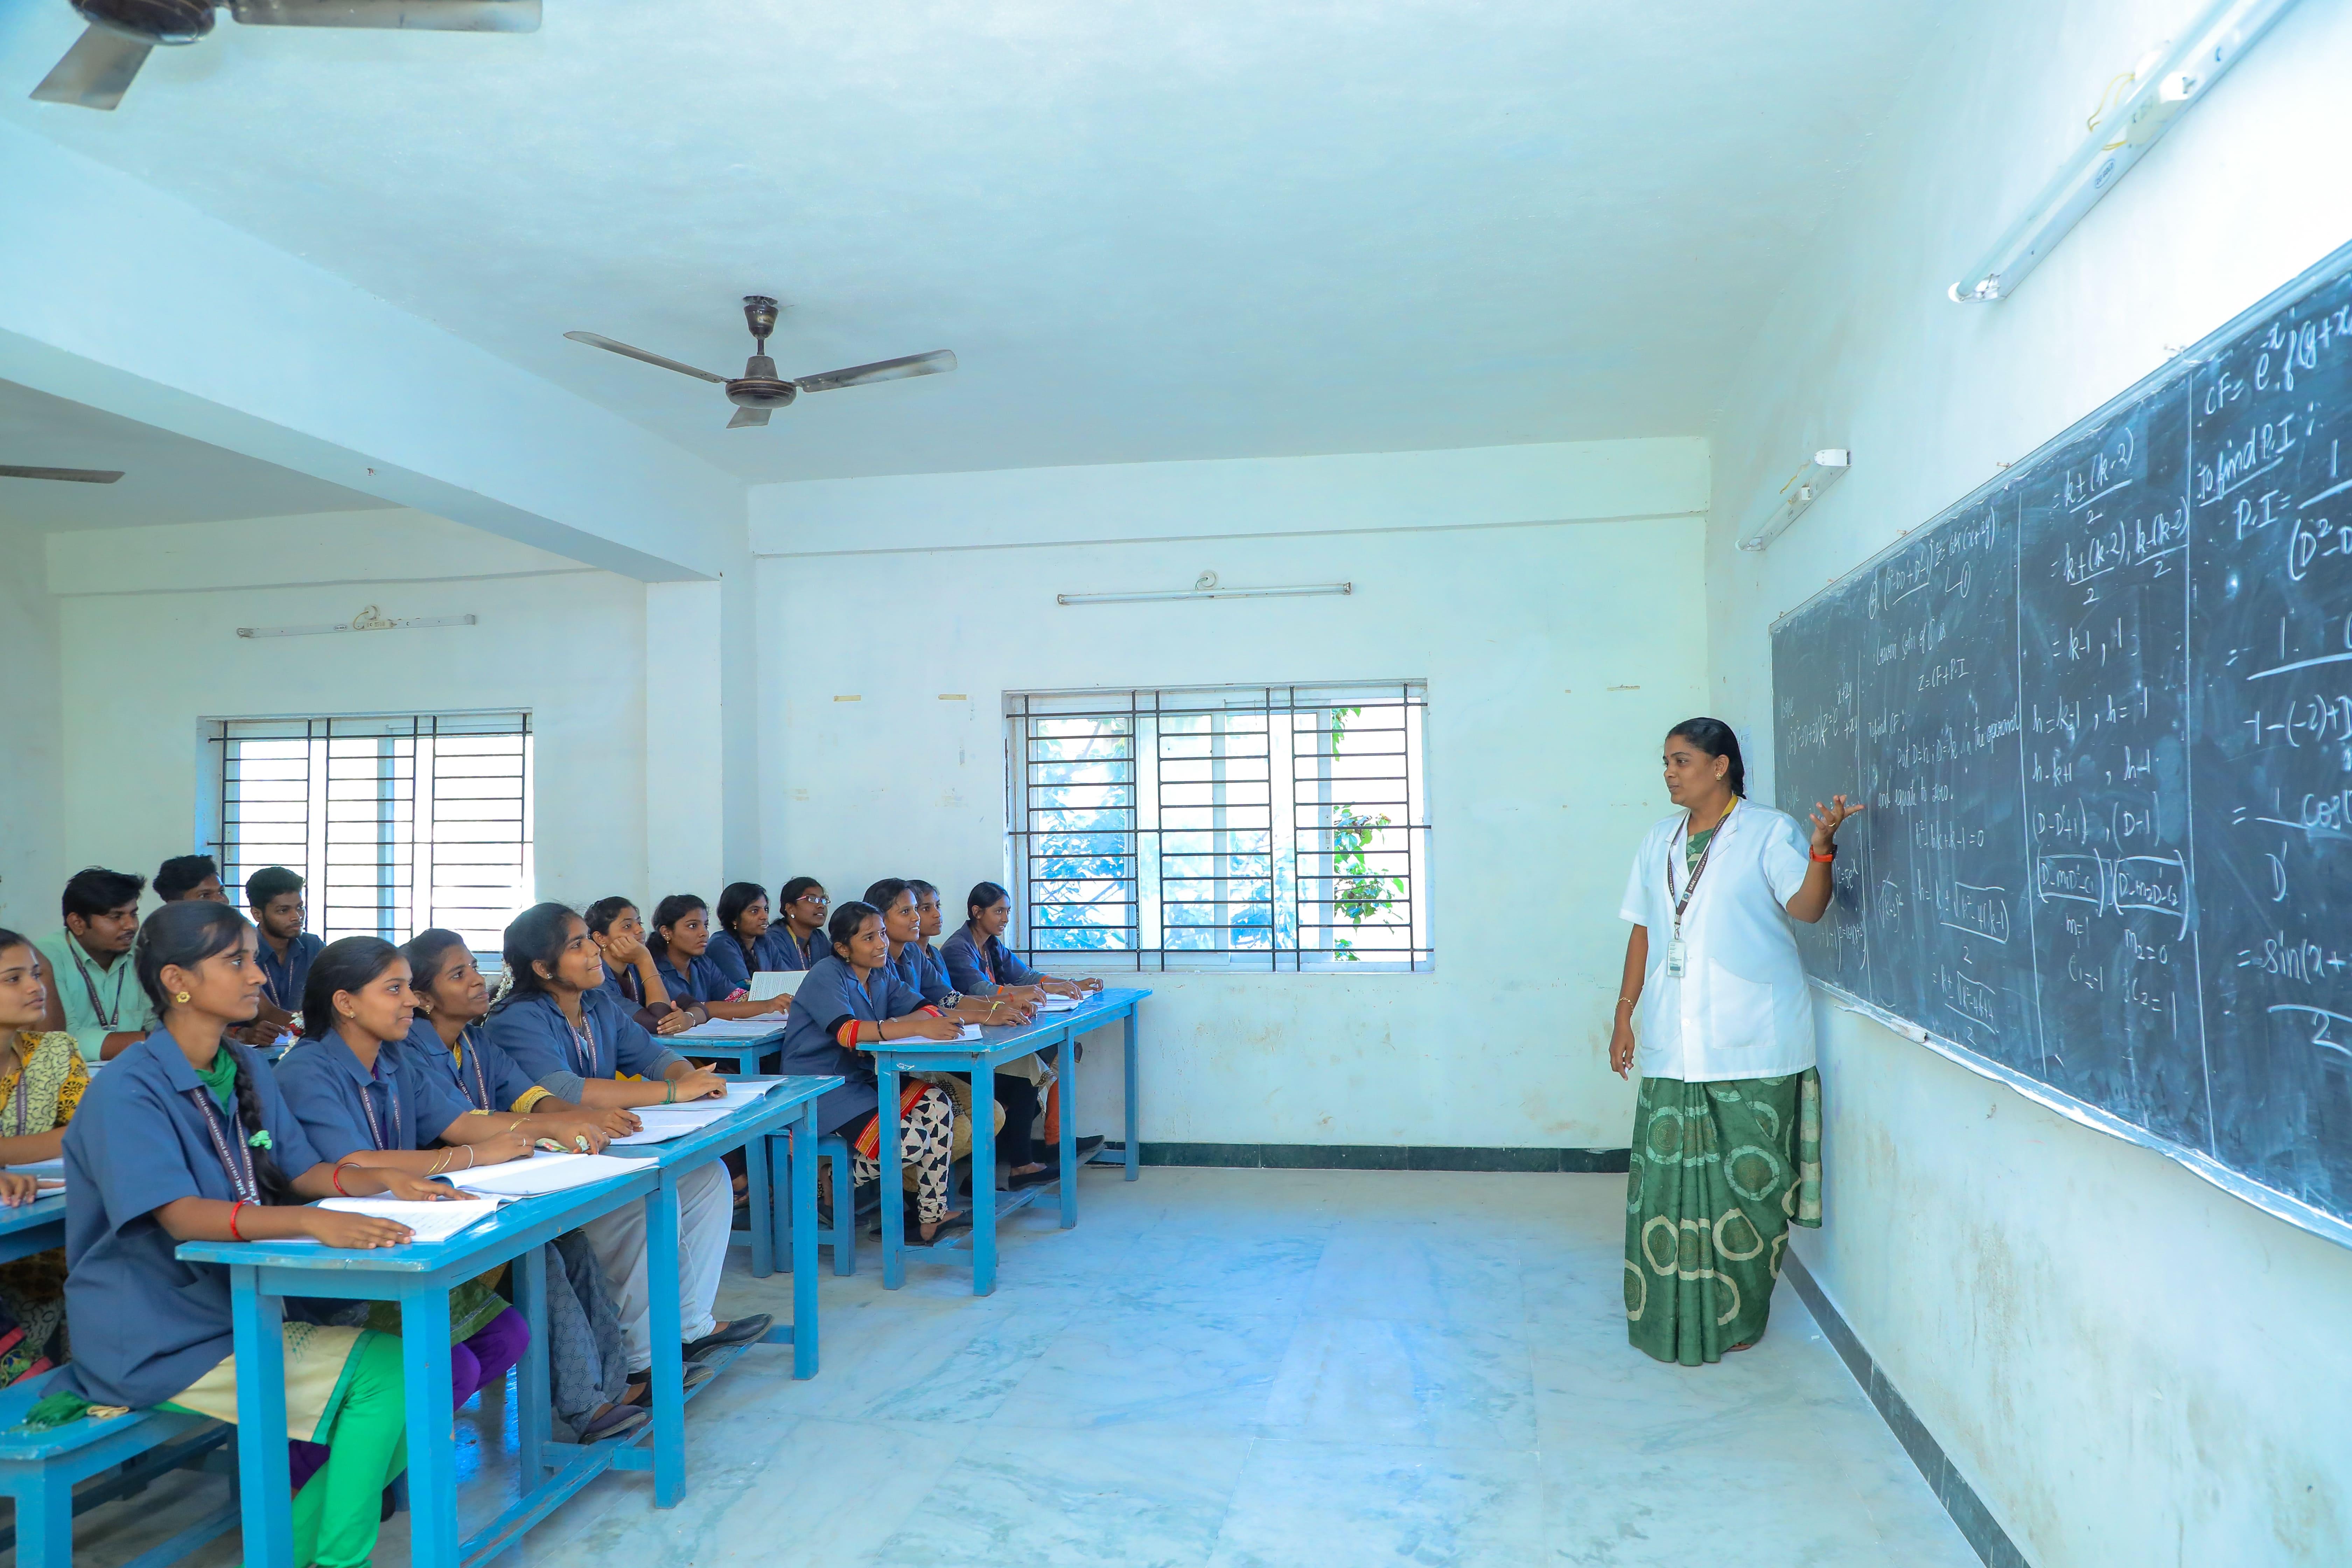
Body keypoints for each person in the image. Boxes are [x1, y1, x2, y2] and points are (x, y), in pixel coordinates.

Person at [58, 900, 452, 1568]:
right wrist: (309, 1220)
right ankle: (331, 1558)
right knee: (396, 1376)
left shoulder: (247, 1066)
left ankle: (296, 1551)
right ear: (179, 981)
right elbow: (182, 1216)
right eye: (236, 962)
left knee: (422, 1371)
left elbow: (303, 1171)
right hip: (156, 1334)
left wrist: (384, 1181)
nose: (259, 978)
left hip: (234, 1308)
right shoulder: (129, 1089)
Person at [1608, 718, 1858, 1366]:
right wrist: (1623, 1013)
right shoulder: (1657, 841)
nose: (1669, 772)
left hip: (1755, 1040)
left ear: (1721, 767)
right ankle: (1666, 1316)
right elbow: (1641, 933)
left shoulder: (1768, 832)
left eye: (1682, 760)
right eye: (1665, 761)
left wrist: (1822, 850)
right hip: (1673, 1039)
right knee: (1665, 1188)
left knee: (1750, 1188)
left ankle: (1741, 1312)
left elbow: (1806, 908)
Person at [480, 904, 767, 1396]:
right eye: (577, 946)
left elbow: (652, 1054)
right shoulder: (517, 1019)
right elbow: (567, 1090)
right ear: (543, 969)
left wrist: (686, 1075)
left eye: (588, 941)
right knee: (639, 1206)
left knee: (706, 1178)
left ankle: (688, 1329)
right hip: (546, 1162)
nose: (594, 951)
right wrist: (676, 1094)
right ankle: (641, 1362)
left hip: (602, 1145)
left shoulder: (598, 1005)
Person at [400, 929, 647, 1441]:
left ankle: (615, 1384)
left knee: (571, 1242)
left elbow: (529, 1097)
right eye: (459, 975)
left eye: (474, 967)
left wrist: (584, 1117)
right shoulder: (411, 1052)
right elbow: (461, 1124)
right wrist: (552, 1128)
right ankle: (586, 1408)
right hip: (446, 1200)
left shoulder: (475, 1041)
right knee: (543, 1256)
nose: (478, 981)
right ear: (423, 999)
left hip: (498, 1186)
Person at [776, 901, 968, 1242]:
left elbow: (923, 1007)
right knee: (910, 1142)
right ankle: (836, 1179)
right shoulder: (827, 973)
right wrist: (915, 1027)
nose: (881, 943)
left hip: (860, 1080)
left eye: (881, 933)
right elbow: (848, 1033)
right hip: (821, 1088)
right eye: (869, 938)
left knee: (937, 1103)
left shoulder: (879, 974)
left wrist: (933, 1020)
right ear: (842, 948)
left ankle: (931, 1217)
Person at [867, 879, 1051, 1189]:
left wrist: (996, 1009)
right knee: (979, 1113)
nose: (919, 917)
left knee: (1023, 1078)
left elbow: (946, 1000)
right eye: (910, 911)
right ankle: (918, 1197)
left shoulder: (915, 956)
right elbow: (924, 1012)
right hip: (895, 1065)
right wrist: (993, 1010)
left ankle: (938, 1195)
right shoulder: (878, 965)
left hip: (928, 1053)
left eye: (922, 909)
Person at [0, 929, 85, 1383]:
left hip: (50, 1234)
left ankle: (82, 1401)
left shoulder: (55, 1051)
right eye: (13, 979)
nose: (37, 987)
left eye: (35, 974)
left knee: (98, 1272)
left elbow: (86, 1135)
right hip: (16, 1237)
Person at [36, 867, 147, 1062]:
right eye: (116, 917)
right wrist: (159, 1043)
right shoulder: (44, 958)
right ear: (77, 923)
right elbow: (62, 1039)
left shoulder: (142, 951)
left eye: (134, 914)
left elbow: (158, 1021)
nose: (131, 926)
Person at [941, 881, 1105, 1002]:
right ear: (977, 912)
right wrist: (1045, 989)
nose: (1006, 919)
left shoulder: (992, 944)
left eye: (1008, 912)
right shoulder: (957, 948)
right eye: (999, 912)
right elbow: (983, 991)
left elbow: (1028, 977)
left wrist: (1071, 984)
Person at [648, 895, 786, 1022]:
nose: (704, 933)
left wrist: (774, 1002)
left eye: (706, 925)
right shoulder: (653, 968)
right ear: (667, 933)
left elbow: (736, 998)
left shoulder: (703, 963)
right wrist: (767, 1006)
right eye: (693, 926)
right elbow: (697, 1008)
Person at [584, 897, 692, 1036]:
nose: (641, 930)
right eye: (628, 926)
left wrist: (689, 1018)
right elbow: (659, 1023)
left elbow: (695, 1005)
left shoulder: (634, 968)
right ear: (600, 938)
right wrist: (645, 960)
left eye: (639, 923)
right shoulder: (595, 980)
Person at [247, 866, 325, 1025]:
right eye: (284, 911)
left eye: (300, 908)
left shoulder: (313, 946)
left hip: (308, 1043)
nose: (296, 917)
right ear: (257, 914)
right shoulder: (243, 950)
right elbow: (266, 1014)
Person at [704, 882, 800, 992]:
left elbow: (788, 980)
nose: (764, 917)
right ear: (734, 918)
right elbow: (744, 989)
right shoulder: (721, 944)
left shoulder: (765, 942)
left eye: (766, 910)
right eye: (755, 911)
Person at [774, 877, 830, 969]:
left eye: (823, 900)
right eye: (812, 899)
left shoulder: (820, 938)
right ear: (790, 908)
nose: (821, 906)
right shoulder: (775, 938)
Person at [154, 854, 231, 904]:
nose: (221, 899)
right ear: (175, 905)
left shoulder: (236, 927)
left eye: (221, 891)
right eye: (205, 895)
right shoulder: (160, 928)